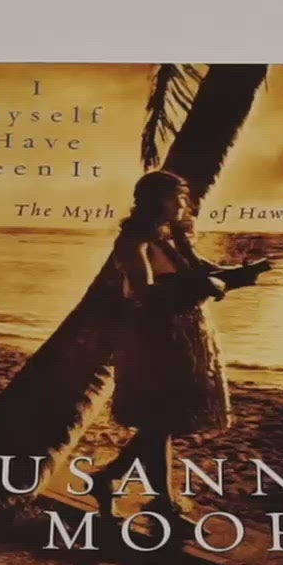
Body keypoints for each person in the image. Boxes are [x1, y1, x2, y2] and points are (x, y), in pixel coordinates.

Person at [94, 170, 240, 522]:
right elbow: (144, 293)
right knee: (161, 419)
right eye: (178, 197)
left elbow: (206, 273)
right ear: (157, 200)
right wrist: (203, 287)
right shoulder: (133, 242)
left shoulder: (171, 238)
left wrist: (239, 274)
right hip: (154, 338)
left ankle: (121, 483)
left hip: (182, 335)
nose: (184, 203)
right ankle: (145, 493)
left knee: (163, 420)